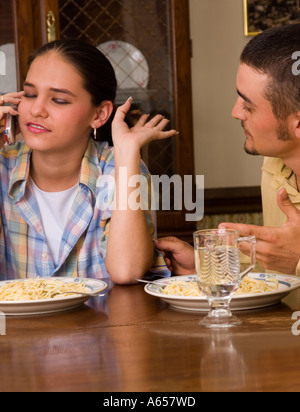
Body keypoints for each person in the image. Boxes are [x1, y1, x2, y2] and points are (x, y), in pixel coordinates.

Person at [0, 39, 177, 284]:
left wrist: (127, 155)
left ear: (99, 114)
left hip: (101, 323)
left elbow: (127, 270)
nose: (36, 109)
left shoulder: (117, 168)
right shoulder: (3, 165)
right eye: (30, 94)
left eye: (58, 100)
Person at [156, 23, 300, 276]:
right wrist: (206, 266)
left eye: (248, 105)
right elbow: (275, 266)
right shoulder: (274, 163)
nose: (235, 113)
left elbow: (290, 261)